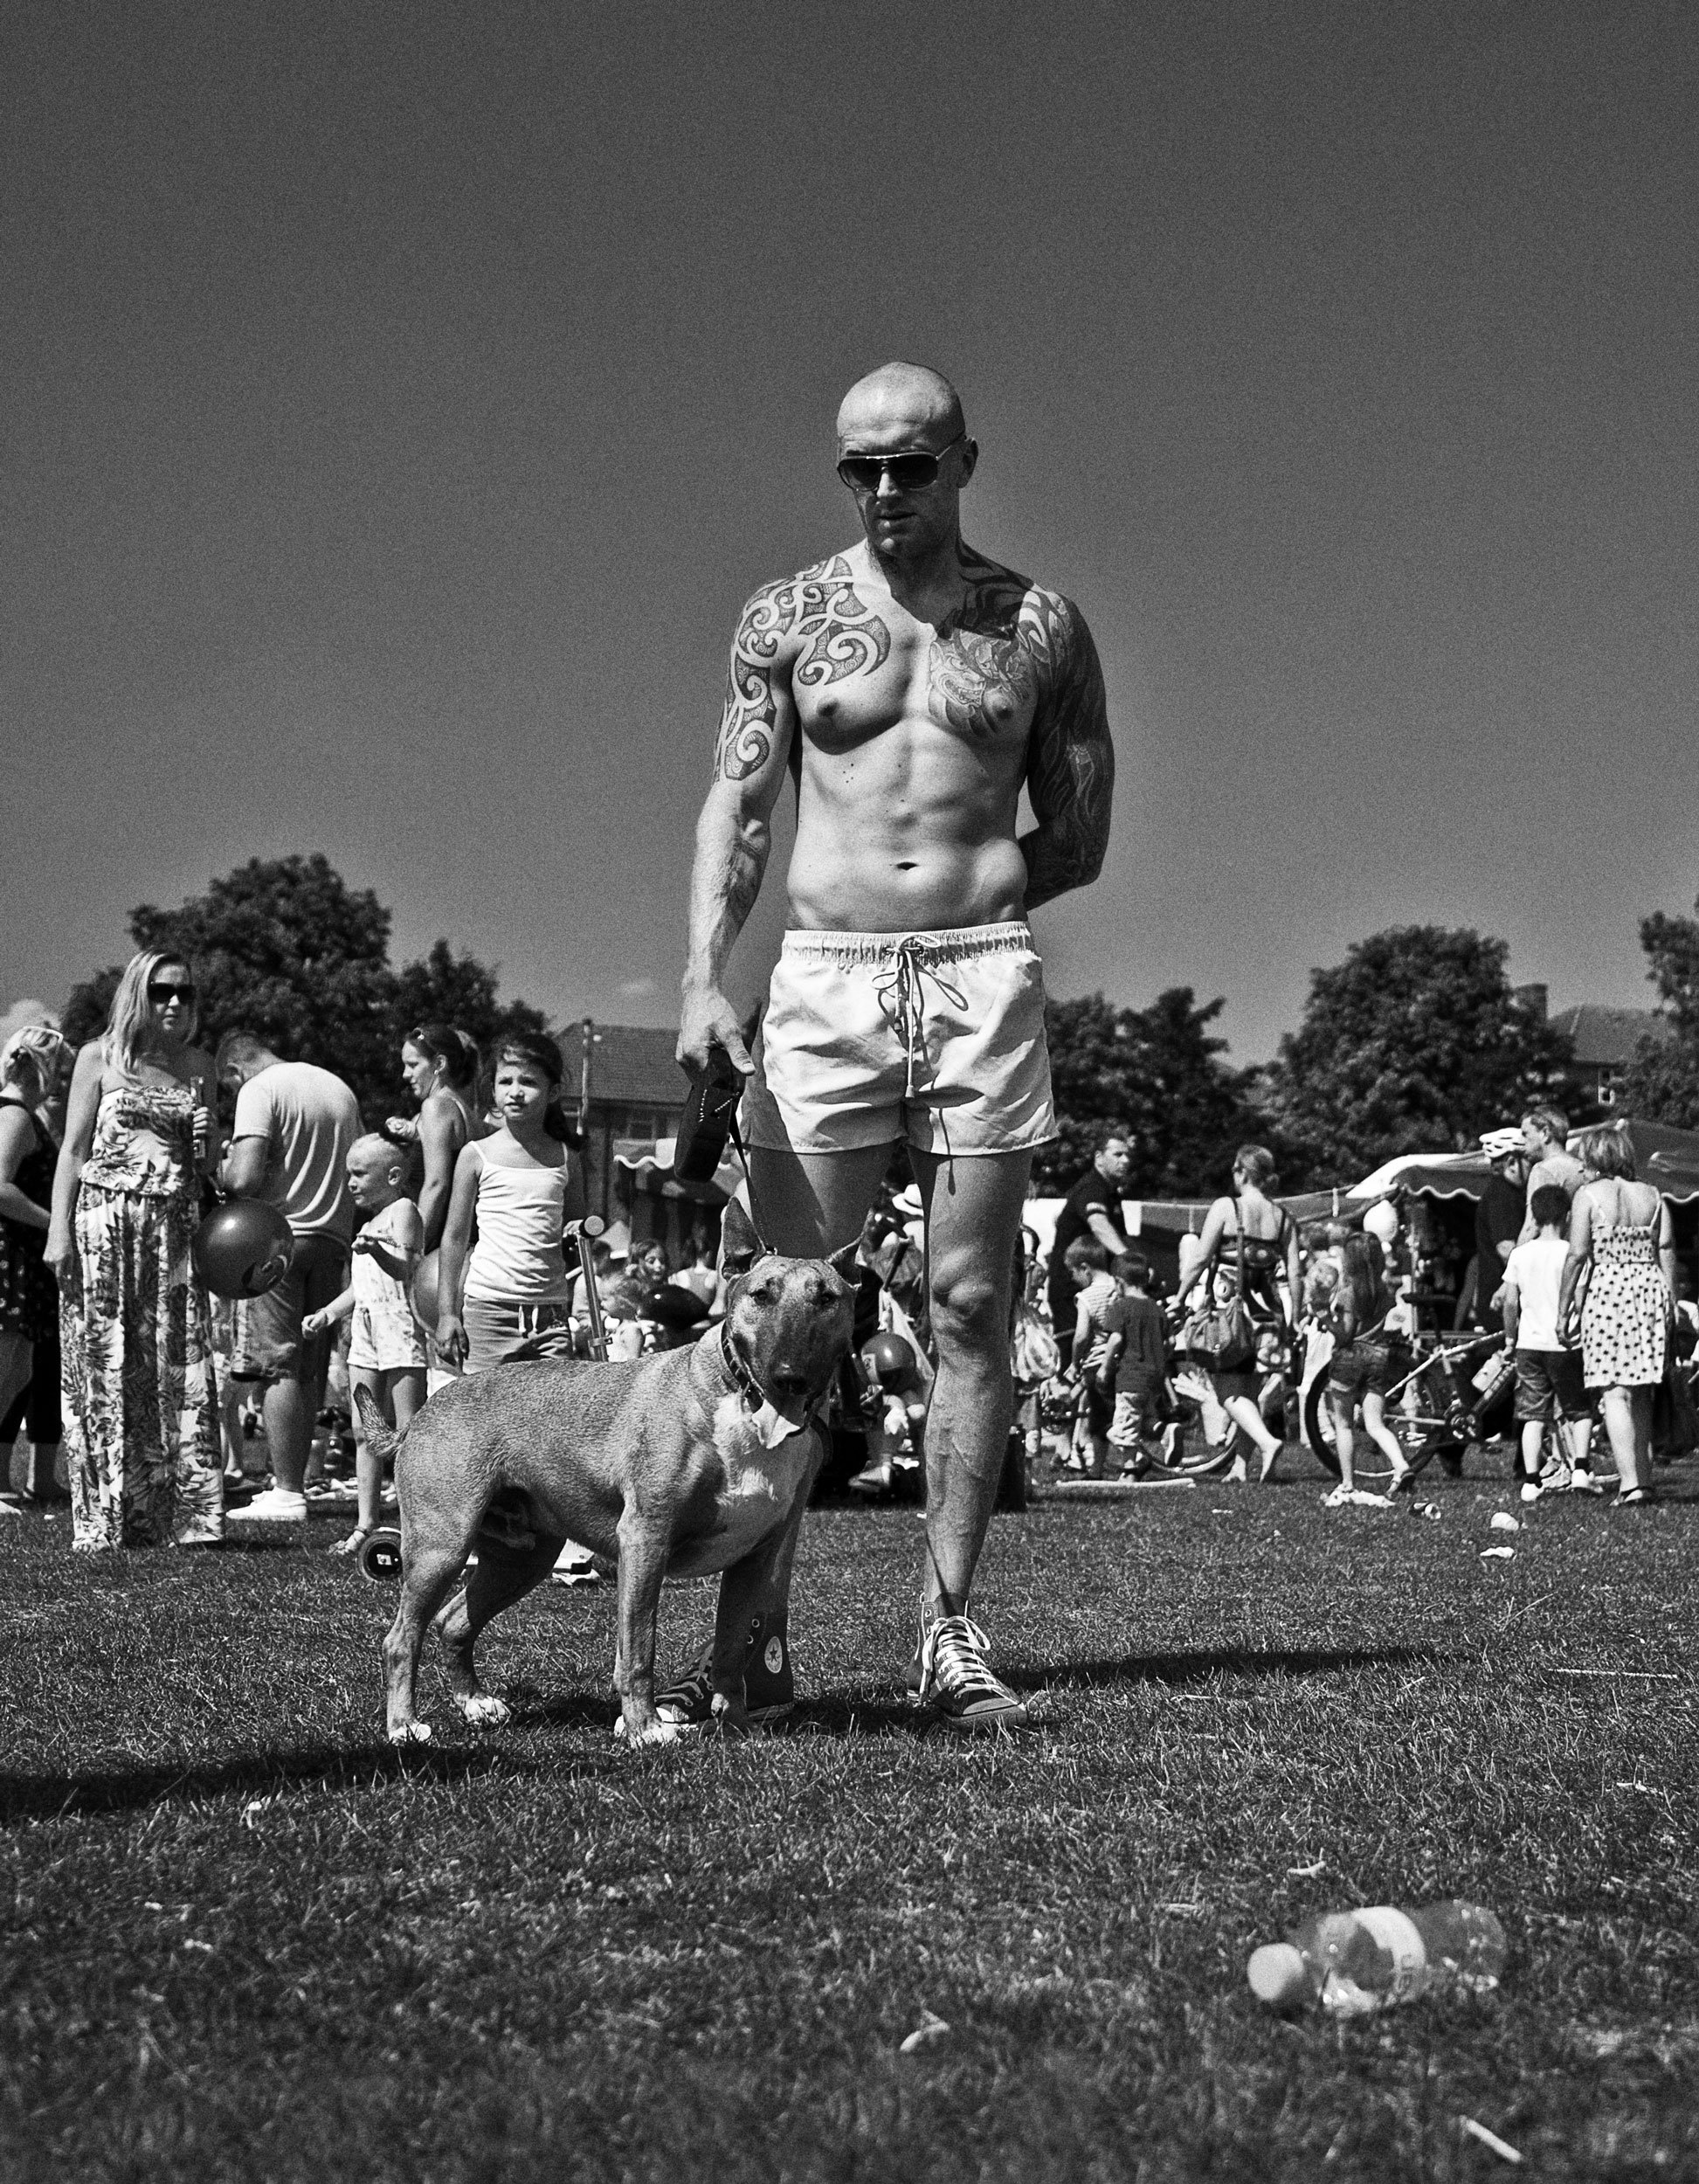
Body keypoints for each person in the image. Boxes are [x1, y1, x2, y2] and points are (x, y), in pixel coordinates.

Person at [676, 359, 1113, 1731]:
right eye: (859, 465)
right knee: (786, 1327)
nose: (883, 491)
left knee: (972, 1312)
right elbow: (741, 809)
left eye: (910, 465)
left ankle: (945, 1630)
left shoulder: (1036, 622)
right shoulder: (787, 619)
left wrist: (968, 910)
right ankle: (754, 1638)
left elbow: (1081, 833)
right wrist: (701, 978)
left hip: (981, 978)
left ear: (965, 462)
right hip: (824, 981)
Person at [45, 952, 224, 1549]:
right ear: (138, 993)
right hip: (106, 1220)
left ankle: (185, 1517)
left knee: (177, 1362)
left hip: (174, 1225)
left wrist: (207, 1141)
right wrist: (58, 1232)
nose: (175, 1002)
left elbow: (209, 1170)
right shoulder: (100, 1057)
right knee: (107, 1362)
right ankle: (107, 1515)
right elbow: (72, 1150)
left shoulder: (199, 1065)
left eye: (186, 994)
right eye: (162, 990)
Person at [217, 1031, 362, 1524]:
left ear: (235, 1071)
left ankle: (286, 1490)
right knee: (313, 1368)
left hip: (278, 1235)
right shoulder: (338, 1088)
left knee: (279, 1364)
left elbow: (244, 1179)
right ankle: (298, 1483)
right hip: (335, 1237)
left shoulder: (260, 1090)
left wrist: (220, 1168)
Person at [303, 1136, 427, 1555]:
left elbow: (408, 1267)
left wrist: (377, 1251)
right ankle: (366, 1523)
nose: (351, 1183)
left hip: (399, 1328)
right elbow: (360, 1287)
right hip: (366, 1331)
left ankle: (417, 1526)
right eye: (349, 1174)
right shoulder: (368, 1225)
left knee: (407, 1432)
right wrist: (329, 1313)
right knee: (364, 1430)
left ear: (392, 1176)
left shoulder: (403, 1211)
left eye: (359, 1174)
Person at [436, 1033, 586, 1375]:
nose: (515, 1091)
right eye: (506, 1081)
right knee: (483, 1418)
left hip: (550, 1314)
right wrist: (447, 1313)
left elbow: (576, 1227)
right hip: (488, 1311)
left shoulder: (566, 1158)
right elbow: (455, 1237)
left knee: (550, 1416)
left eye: (529, 1081)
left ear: (553, 1092)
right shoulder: (475, 1156)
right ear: (493, 1090)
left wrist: (581, 1231)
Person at [1557, 1124, 1675, 1506]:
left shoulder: (1588, 1195)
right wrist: (1670, 1301)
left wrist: (1564, 1311)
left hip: (1609, 1291)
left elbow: (1576, 1255)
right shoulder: (1654, 1196)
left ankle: (1630, 1485)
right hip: (1650, 1287)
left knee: (1614, 1391)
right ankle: (1643, 1477)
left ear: (1594, 1157)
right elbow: (1666, 1247)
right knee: (1642, 1389)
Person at [1168, 1145, 1299, 1485]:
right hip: (1269, 1314)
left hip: (1231, 1314)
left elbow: (1199, 1259)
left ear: (1241, 1172)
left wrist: (1181, 1297)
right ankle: (1240, 1466)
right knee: (1250, 1394)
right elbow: (1295, 1273)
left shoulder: (1226, 1208)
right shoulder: (1283, 1218)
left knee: (1227, 1393)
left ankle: (1269, 1443)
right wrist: (1295, 1317)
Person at [0, 1026, 73, 1510]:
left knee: (19, 1371)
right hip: (8, 1259)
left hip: (20, 1261)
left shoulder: (19, 1115)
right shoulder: (14, 1115)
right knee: (5, 1367)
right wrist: (56, 1227)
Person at [1502, 1184, 1600, 1502]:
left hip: (1529, 1344)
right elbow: (1581, 1297)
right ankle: (1581, 1469)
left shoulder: (1520, 1254)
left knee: (1533, 1414)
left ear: (1533, 1214)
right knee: (1578, 1408)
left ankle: (1531, 1480)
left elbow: (1510, 1302)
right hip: (1567, 1343)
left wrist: (1509, 1337)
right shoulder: (1572, 1254)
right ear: (1568, 1215)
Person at [1323, 1232, 1411, 1503]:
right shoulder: (1385, 1293)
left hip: (1349, 1359)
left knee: (1344, 1424)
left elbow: (1346, 1334)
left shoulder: (1347, 1294)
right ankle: (1402, 1466)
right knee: (1375, 1423)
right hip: (1377, 1358)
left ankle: (1348, 1483)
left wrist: (1325, 1319)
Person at [1047, 1136, 1133, 1370]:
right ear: (1099, 1158)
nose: (1125, 1160)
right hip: (1072, 1288)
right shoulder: (1092, 1187)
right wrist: (1130, 1261)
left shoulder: (1110, 1192)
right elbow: (1098, 1224)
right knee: (1078, 1356)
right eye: (1117, 1154)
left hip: (1093, 1288)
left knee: (1101, 1355)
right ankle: (1065, 1401)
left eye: (1127, 1155)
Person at [1096, 1252, 1171, 1476]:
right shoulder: (1157, 1308)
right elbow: (1171, 1342)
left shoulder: (1121, 1307)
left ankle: (1129, 1469)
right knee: (1145, 1418)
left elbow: (1116, 1340)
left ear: (1118, 1282)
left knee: (1124, 1427)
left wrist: (1104, 1367)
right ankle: (1165, 1430)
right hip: (1155, 1380)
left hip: (1131, 1377)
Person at [1471, 1128, 1528, 1330]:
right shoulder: (1503, 1195)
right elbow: (1506, 1249)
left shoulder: (1500, 1191)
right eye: (1529, 1162)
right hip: (1504, 1305)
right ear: (1513, 1163)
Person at [1517, 1106, 1585, 1245]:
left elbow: (1532, 1226)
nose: (1521, 1141)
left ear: (1545, 1133)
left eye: (1526, 1134)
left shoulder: (1542, 1171)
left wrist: (1516, 1257)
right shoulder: (1583, 1168)